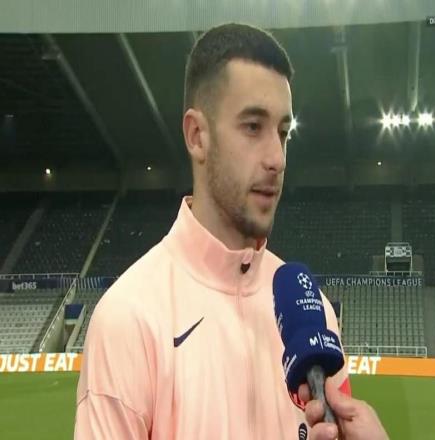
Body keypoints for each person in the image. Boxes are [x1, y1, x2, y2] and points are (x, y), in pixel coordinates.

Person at [74, 22, 387, 440]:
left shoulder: (314, 313)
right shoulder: (127, 320)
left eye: (283, 133)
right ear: (197, 136)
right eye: (253, 127)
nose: (277, 158)